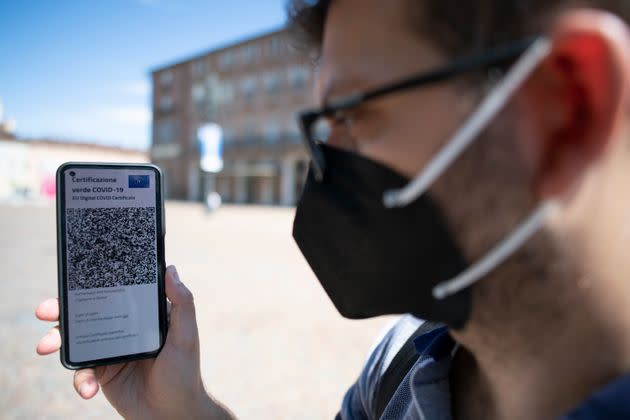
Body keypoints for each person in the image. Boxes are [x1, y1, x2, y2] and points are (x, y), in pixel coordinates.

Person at [35, 0, 630, 418]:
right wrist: (180, 410)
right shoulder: (400, 368)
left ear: (568, 107)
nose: (326, 160)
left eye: (350, 113)